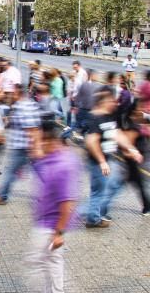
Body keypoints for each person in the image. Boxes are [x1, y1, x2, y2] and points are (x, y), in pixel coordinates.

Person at [27, 121, 80, 293]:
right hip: (48, 221)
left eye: (41, 141)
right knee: (52, 260)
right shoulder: (60, 156)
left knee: (36, 262)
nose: (38, 145)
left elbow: (67, 203)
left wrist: (59, 233)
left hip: (51, 225)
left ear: (51, 141)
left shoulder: (62, 166)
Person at [85, 88, 143, 228]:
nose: (115, 103)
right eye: (112, 100)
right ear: (104, 102)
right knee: (100, 191)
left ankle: (96, 213)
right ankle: (93, 219)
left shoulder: (108, 116)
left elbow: (117, 134)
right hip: (99, 162)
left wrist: (132, 149)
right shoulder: (95, 118)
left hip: (108, 159)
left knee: (109, 187)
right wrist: (102, 162)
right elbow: (91, 141)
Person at [0, 84, 41, 205]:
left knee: (10, 172)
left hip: (22, 147)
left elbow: (32, 129)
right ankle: (52, 195)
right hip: (23, 146)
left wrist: (35, 148)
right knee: (38, 172)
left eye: (12, 93)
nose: (9, 95)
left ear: (18, 93)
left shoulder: (23, 106)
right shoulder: (27, 104)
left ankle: (2, 196)